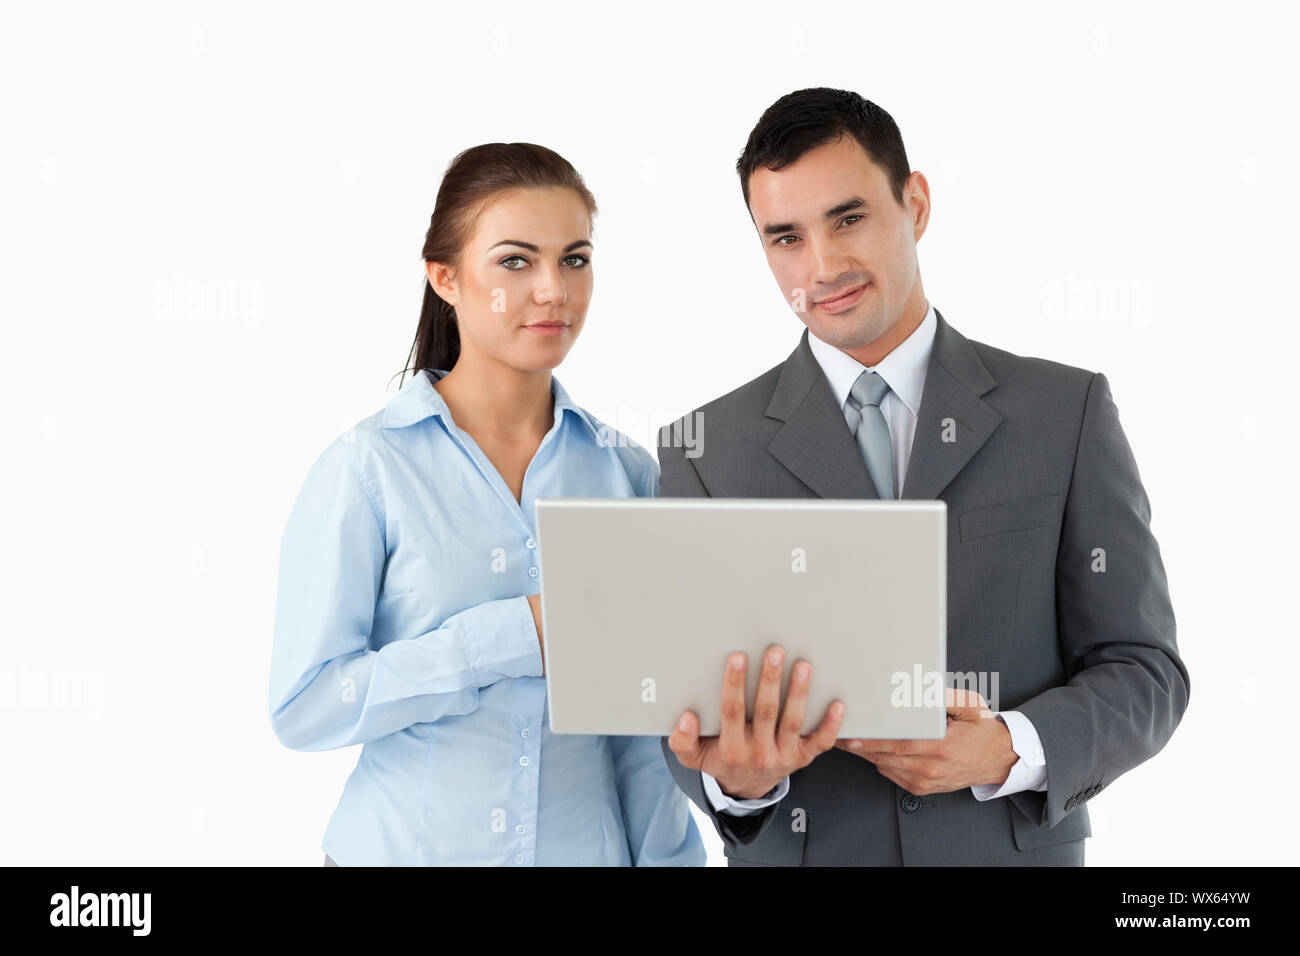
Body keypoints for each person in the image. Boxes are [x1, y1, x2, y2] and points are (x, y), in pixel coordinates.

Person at [656, 88, 1189, 865]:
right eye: (785, 238)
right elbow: (682, 707)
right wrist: (741, 781)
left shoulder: (1064, 411)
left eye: (848, 218)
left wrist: (1009, 748)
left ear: (916, 203)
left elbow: (1145, 670)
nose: (823, 267)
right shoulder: (704, 451)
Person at [269, 142, 704, 867]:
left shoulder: (625, 473)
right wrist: (512, 637)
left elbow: (639, 730)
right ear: (445, 277)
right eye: (515, 260)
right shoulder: (367, 471)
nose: (553, 291)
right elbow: (305, 706)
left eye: (575, 258)